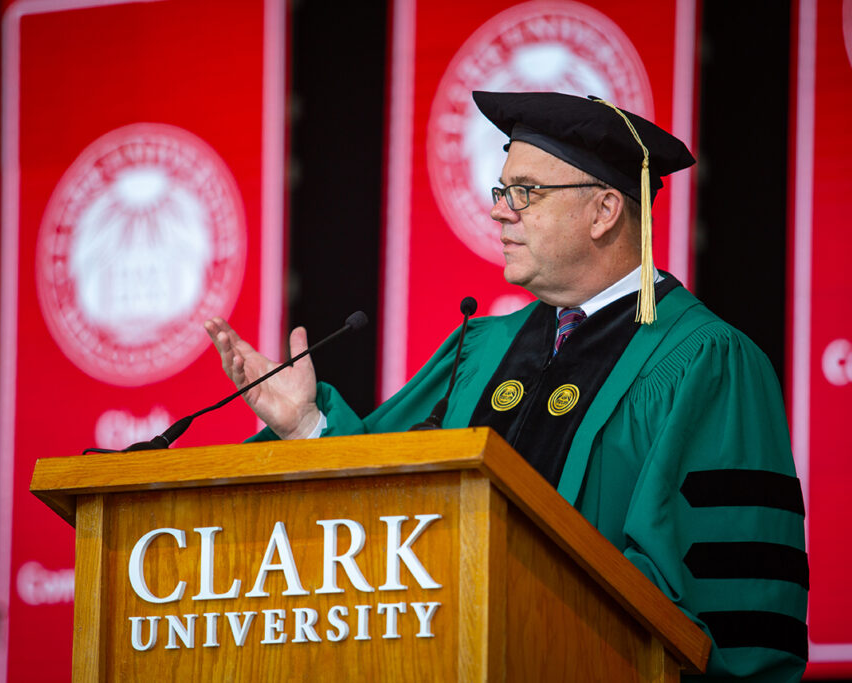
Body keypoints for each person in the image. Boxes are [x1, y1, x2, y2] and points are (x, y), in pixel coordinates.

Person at [204, 91, 807, 681]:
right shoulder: (484, 348)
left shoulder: (706, 361)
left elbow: (736, 608)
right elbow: (388, 516)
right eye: (502, 191)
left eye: (526, 192)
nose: (499, 210)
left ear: (604, 211)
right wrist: (306, 426)